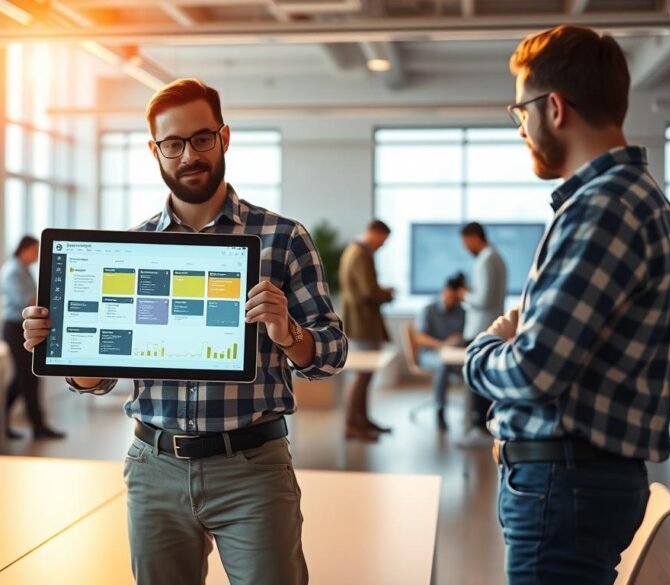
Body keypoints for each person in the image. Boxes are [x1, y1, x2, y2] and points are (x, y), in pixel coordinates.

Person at [22, 79, 347, 584]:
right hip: (153, 467)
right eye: (172, 144)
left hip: (252, 469)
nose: (188, 155)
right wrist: (64, 345)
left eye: (201, 139)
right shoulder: (128, 249)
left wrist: (288, 333)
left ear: (224, 137)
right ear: (155, 150)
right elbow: (97, 380)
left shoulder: (283, 238)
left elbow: (330, 355)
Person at [463, 26, 670, 585]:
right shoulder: (633, 198)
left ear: (555, 107)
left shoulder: (603, 207)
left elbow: (533, 369)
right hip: (575, 482)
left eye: (521, 111)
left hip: (564, 486)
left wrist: (485, 346)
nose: (520, 128)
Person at [0, 236, 65, 440]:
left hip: (23, 326)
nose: (37, 254)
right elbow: (29, 301)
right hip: (18, 327)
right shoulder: (13, 271)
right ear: (23, 249)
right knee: (28, 377)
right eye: (35, 250)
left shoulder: (23, 269)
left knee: (23, 378)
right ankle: (38, 426)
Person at [338, 219, 395, 441]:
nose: (383, 245)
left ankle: (362, 420)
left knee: (365, 375)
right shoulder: (361, 253)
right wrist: (387, 294)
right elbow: (367, 291)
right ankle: (353, 424)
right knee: (362, 375)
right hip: (363, 323)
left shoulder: (353, 250)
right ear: (375, 232)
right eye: (383, 240)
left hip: (360, 321)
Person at [460, 221, 506, 431]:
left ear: (474, 237)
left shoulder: (486, 260)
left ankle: (479, 425)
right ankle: (482, 423)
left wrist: (464, 295)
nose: (465, 247)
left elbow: (484, 298)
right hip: (488, 325)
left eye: (465, 242)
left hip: (480, 327)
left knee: (477, 379)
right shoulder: (495, 257)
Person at [414, 274, 467, 431]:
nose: (454, 301)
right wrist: (442, 344)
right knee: (443, 366)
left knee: (472, 366)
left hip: (454, 355)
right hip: (429, 355)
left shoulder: (462, 312)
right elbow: (420, 337)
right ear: (445, 291)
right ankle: (440, 409)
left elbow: (466, 335)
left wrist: (459, 339)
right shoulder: (429, 310)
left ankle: (474, 413)